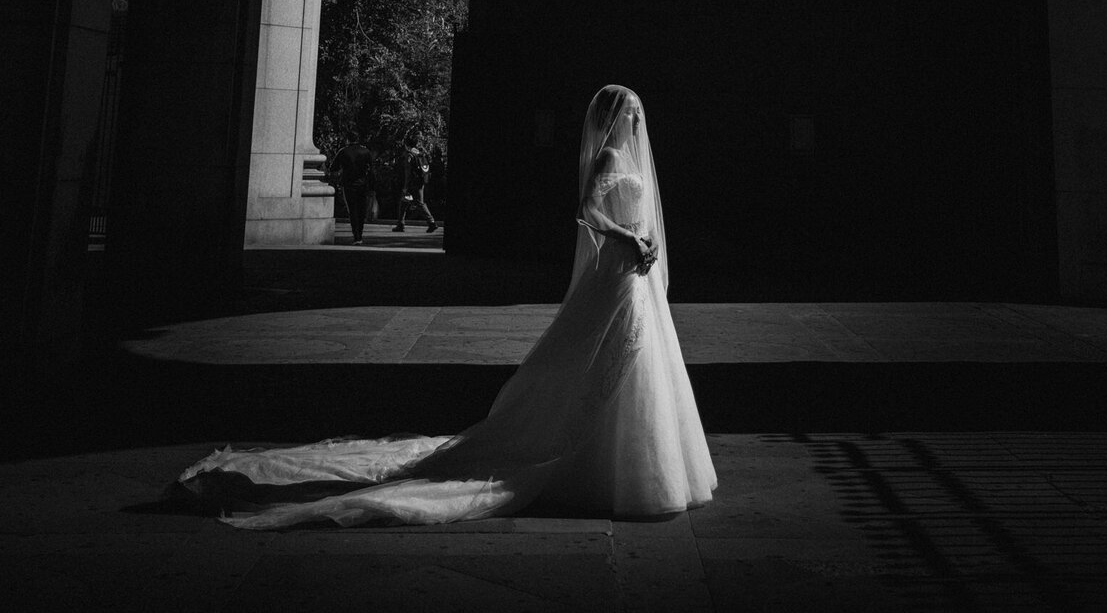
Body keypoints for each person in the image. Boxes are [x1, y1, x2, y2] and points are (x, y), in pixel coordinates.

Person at [175, 84, 716, 526]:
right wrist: (631, 239)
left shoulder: (637, 163)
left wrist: (646, 245)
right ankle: (594, 466)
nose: (639, 124)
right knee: (601, 364)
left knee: (640, 366)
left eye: (640, 116)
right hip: (620, 270)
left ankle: (637, 464)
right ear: (615, 118)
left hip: (634, 277)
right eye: (634, 115)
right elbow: (590, 213)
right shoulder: (609, 157)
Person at [328, 137, 375, 244]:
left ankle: (356, 235)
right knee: (361, 209)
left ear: (348, 140)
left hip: (348, 183)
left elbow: (333, 168)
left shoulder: (343, 151)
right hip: (362, 183)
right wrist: (372, 185)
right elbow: (372, 169)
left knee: (352, 209)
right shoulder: (365, 151)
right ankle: (360, 233)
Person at [392, 137, 439, 234]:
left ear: (406, 145)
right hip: (420, 182)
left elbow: (408, 172)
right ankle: (400, 224)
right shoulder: (418, 152)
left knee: (420, 203)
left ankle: (432, 222)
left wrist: (405, 186)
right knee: (404, 202)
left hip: (412, 184)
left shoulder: (409, 155)